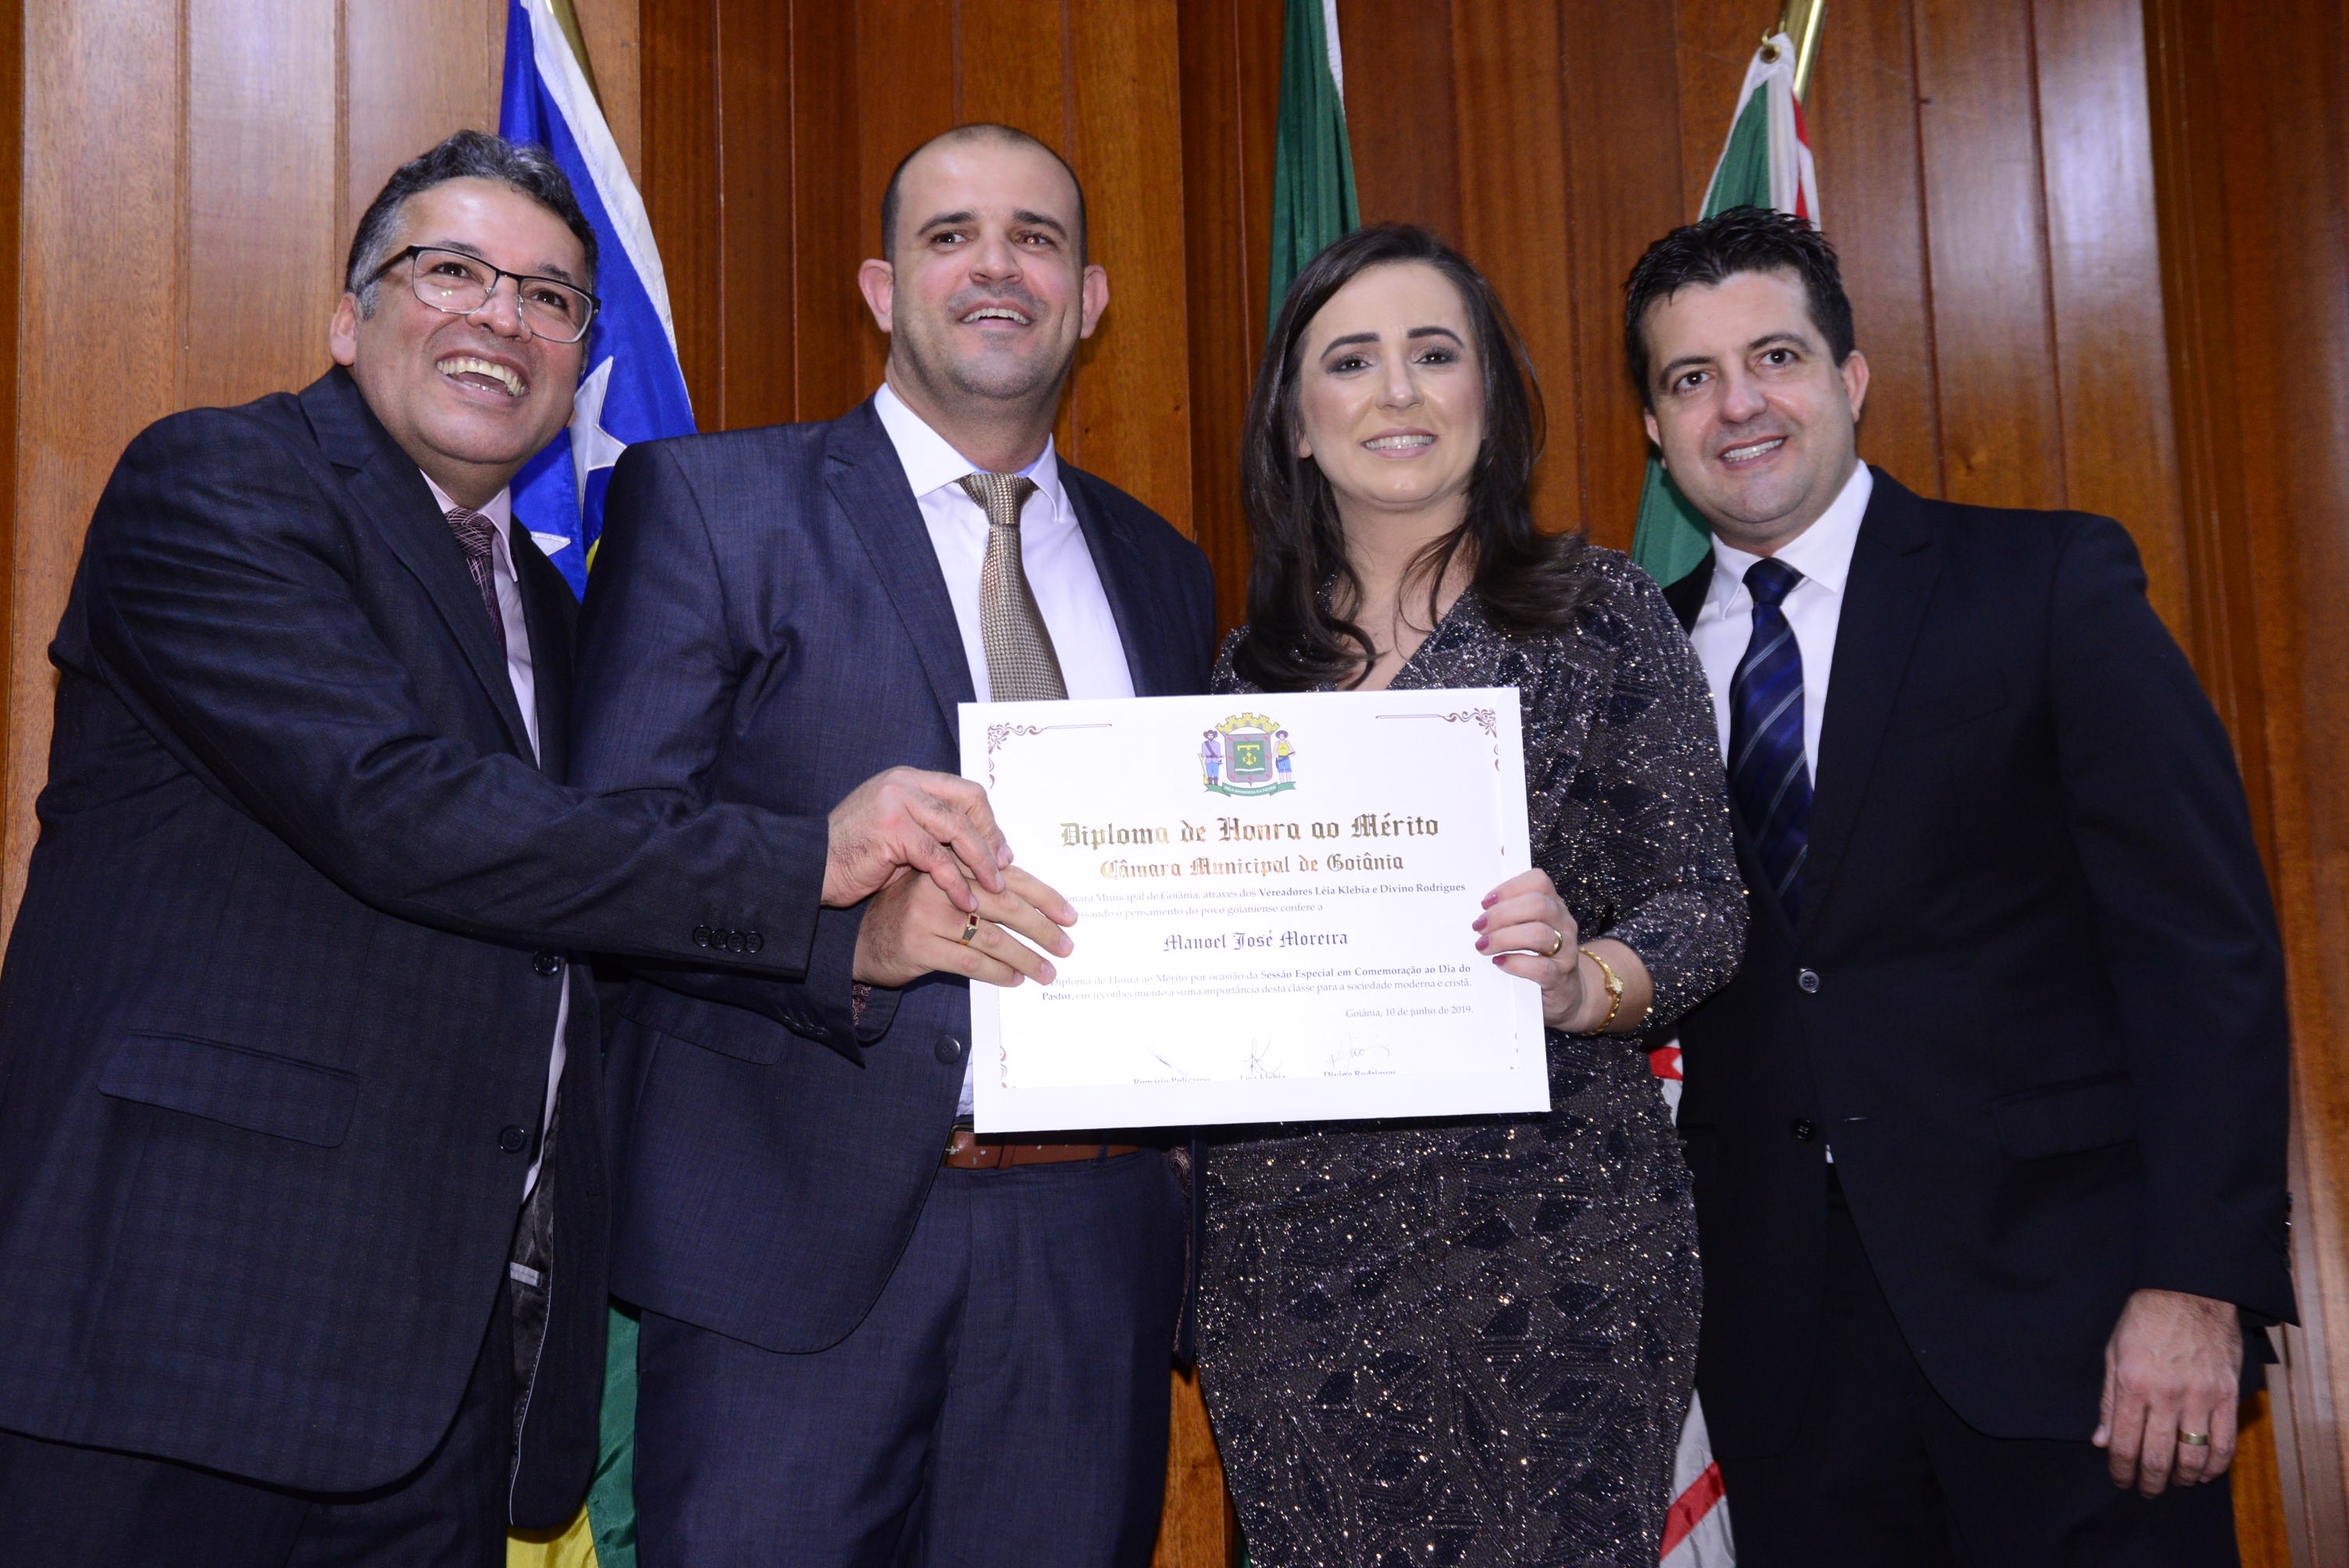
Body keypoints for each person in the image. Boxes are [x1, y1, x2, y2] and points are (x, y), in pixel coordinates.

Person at [0, 131, 1011, 1568]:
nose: (501, 315)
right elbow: (396, 810)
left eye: (549, 298)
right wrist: (807, 864)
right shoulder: (219, 484)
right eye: (452, 271)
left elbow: (593, 888)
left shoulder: (554, 610)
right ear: (349, 319)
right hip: (169, 1336)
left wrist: (858, 943)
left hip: (439, 1376)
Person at [572, 123, 1214, 1567]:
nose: (996, 266)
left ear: (1090, 299)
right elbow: (611, 856)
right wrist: (846, 940)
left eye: (1035, 238)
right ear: (880, 289)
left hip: (1090, 1250)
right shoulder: (714, 505)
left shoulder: (1166, 569)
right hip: (783, 1255)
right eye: (949, 236)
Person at [1627, 207, 2293, 1565]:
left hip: (2079, 1332)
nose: (1738, 405)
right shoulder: (1632, 668)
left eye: (1774, 357)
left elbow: (2202, 953)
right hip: (1786, 1371)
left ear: (1851, 377)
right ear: (1654, 426)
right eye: (1692, 377)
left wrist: (2197, 1281)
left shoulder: (2045, 582)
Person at [1197, 223, 1746, 1566]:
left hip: (1550, 1246)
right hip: (1286, 1265)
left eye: (1434, 354)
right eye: (1351, 361)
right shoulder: (1242, 683)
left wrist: (1583, 980)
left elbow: (1703, 906)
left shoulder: (1598, 612)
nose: (1396, 391)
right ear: (1297, 423)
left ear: (1488, 397)